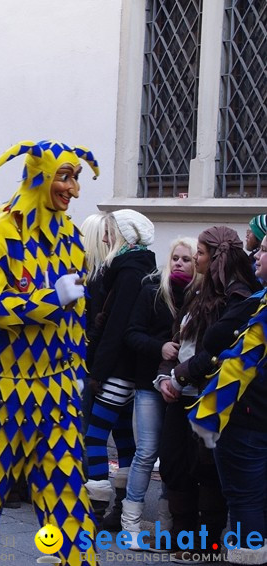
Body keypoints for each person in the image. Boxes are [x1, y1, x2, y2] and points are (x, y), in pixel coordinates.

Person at [0, 140, 99, 566]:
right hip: (2, 394)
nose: (74, 189)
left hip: (56, 393)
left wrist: (74, 367)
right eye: (65, 176)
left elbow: (76, 316)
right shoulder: (0, 234)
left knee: (67, 492)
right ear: (40, 177)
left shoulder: (71, 236)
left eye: (75, 178)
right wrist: (48, 300)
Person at [154, 226, 259, 562]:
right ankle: (182, 535)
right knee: (173, 464)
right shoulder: (198, 294)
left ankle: (207, 542)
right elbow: (178, 343)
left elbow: (217, 351)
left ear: (216, 257)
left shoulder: (237, 298)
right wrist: (166, 377)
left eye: (198, 253)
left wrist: (182, 377)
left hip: (207, 394)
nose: (194, 259)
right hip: (179, 392)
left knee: (207, 471)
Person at [188, 233, 267, 565]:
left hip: (248, 415)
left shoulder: (255, 302)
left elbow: (216, 337)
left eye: (264, 250)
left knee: (244, 500)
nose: (257, 256)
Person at [121, 237, 197, 549]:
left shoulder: (200, 297)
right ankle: (131, 525)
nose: (178, 263)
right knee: (147, 451)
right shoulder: (153, 290)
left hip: (182, 388)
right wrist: (160, 346)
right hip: (148, 384)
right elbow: (132, 334)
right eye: (175, 258)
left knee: (174, 455)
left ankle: (167, 526)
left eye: (187, 259)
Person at [83, 209, 157, 530]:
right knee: (124, 436)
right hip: (127, 369)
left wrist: (97, 371)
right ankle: (118, 508)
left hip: (116, 369)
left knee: (95, 435)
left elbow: (116, 327)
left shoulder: (127, 270)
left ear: (125, 235)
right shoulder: (138, 266)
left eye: (109, 231)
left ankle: (97, 507)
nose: (103, 237)